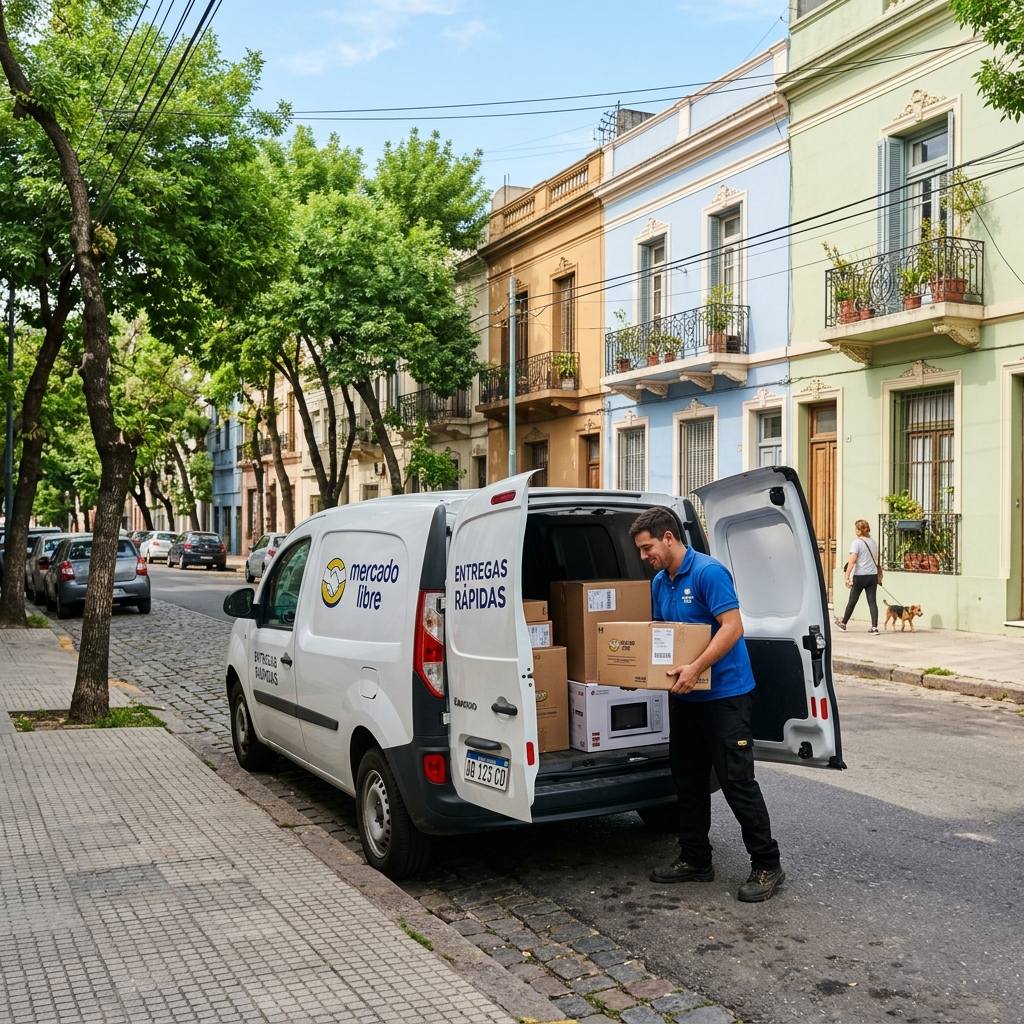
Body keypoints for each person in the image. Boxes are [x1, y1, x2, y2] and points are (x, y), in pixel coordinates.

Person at [629, 506, 784, 903]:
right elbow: (665, 635)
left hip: (726, 695)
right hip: (686, 697)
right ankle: (695, 858)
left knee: (736, 781)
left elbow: (733, 627)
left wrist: (696, 668)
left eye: (647, 548)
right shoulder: (660, 582)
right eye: (641, 551)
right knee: (688, 779)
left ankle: (767, 864)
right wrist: (642, 674)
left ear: (668, 538)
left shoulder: (708, 572)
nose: (644, 557)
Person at [834, 519, 881, 635]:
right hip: (872, 576)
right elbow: (877, 560)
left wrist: (846, 576)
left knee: (852, 601)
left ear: (860, 530)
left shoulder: (856, 543)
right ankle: (874, 627)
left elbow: (852, 561)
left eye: (856, 529)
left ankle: (843, 624)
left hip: (860, 576)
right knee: (872, 602)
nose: (855, 531)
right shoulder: (873, 542)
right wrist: (879, 576)